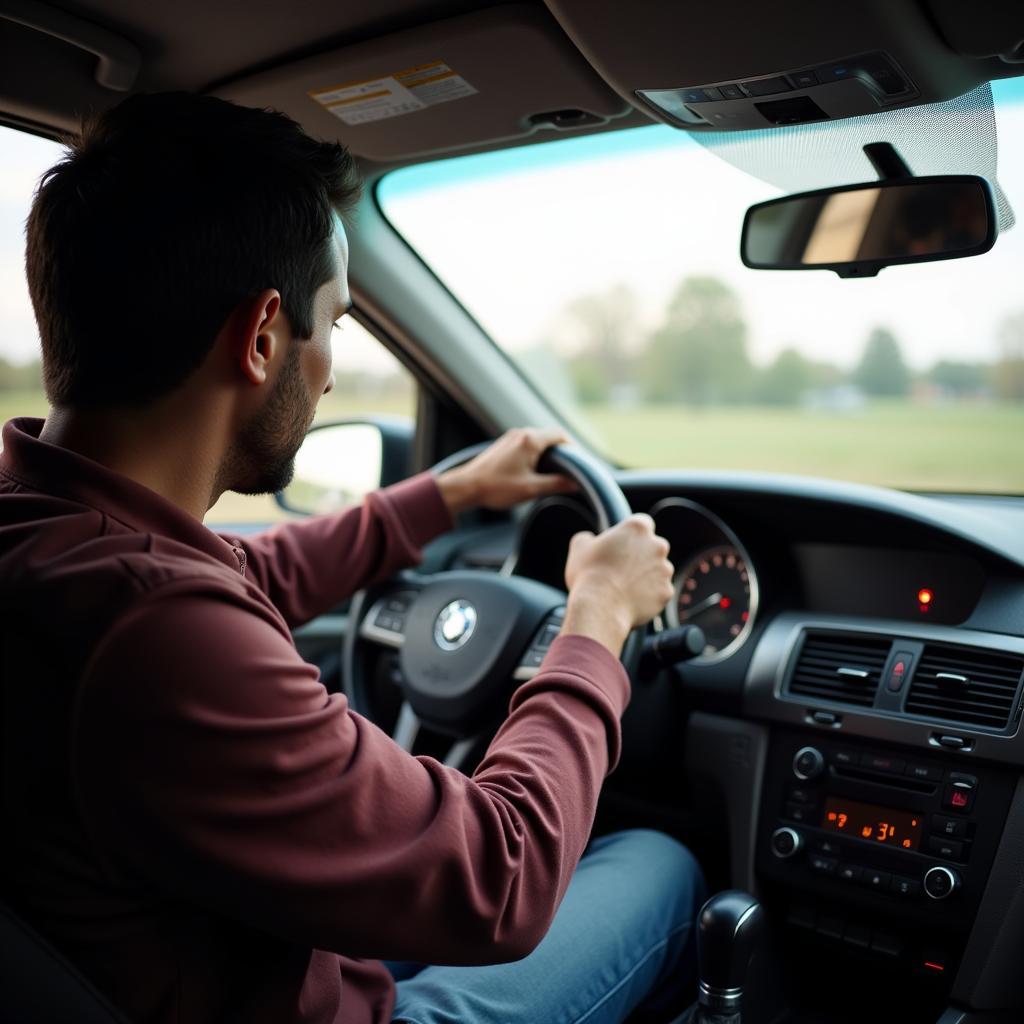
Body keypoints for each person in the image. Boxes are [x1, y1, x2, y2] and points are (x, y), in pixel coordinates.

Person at [0, 92, 706, 1024]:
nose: (330, 364)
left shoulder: (51, 534)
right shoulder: (155, 634)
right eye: (333, 323)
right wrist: (598, 622)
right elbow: (503, 877)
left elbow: (249, 576)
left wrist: (448, 494)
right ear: (260, 339)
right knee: (661, 860)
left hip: (201, 955)